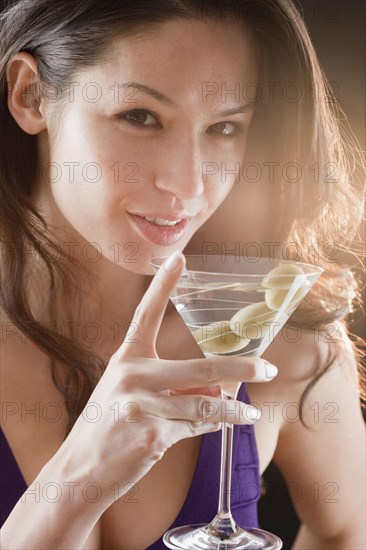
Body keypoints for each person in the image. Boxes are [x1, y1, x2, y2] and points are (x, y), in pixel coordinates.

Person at [0, 1, 364, 549]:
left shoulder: (282, 340)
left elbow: (347, 532)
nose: (188, 184)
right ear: (32, 95)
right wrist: (78, 481)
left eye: (224, 127)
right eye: (140, 117)